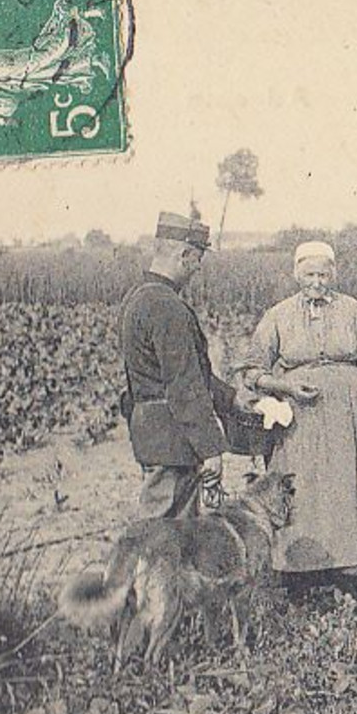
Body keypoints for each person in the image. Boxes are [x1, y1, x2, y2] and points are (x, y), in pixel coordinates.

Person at [237, 241, 357, 582]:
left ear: (334, 275)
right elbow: (253, 370)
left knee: (350, 485)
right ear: (296, 274)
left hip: (351, 417)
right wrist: (286, 387)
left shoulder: (354, 310)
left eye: (323, 274)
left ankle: (356, 559)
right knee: (308, 487)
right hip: (302, 420)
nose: (317, 282)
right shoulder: (278, 315)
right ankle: (304, 566)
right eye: (310, 274)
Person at [118, 211, 233, 519]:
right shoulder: (166, 306)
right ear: (184, 255)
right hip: (172, 440)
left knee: (165, 538)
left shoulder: (138, 297)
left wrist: (233, 400)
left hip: (154, 435)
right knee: (164, 540)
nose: (197, 269)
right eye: (197, 260)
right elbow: (184, 384)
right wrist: (211, 449)